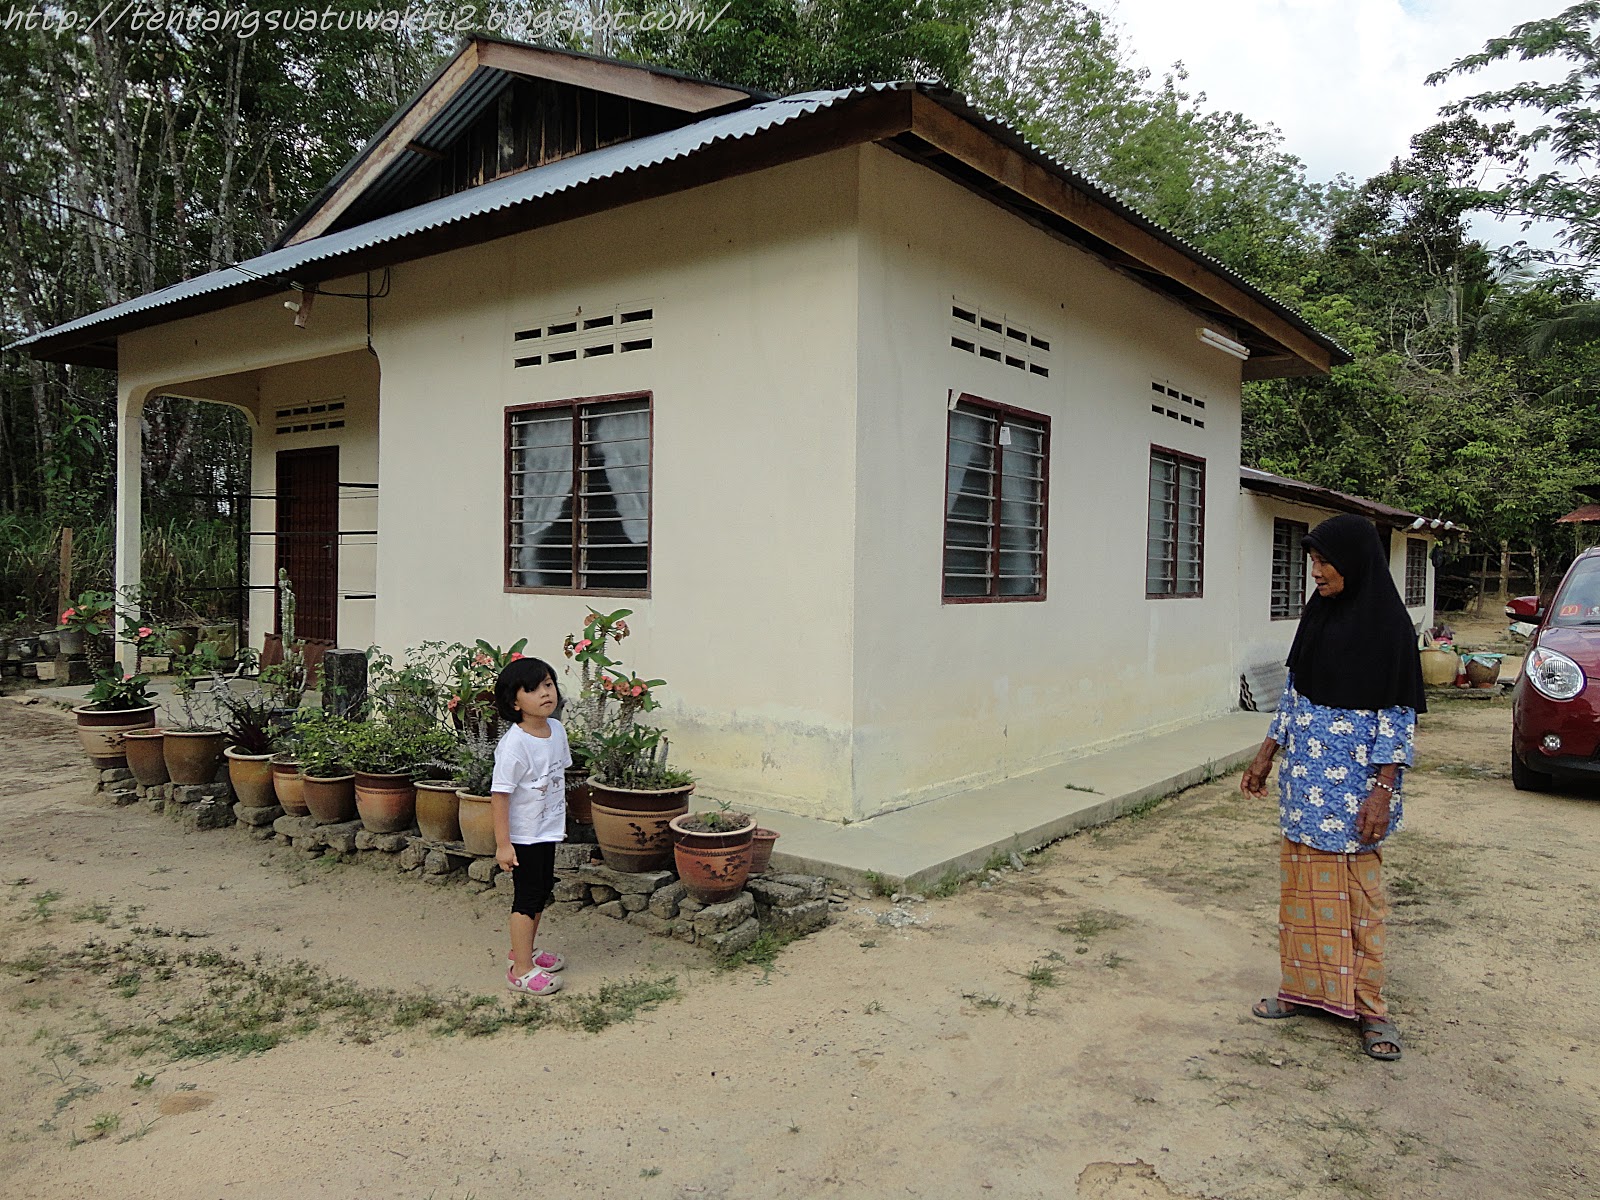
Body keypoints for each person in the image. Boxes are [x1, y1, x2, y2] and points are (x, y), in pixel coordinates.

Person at [1240, 513, 1425, 1061]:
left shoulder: (1390, 629)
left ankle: (1370, 1009)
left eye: (1324, 561)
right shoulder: (1317, 615)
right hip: (1304, 785)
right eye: (1312, 561)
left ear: (1354, 562)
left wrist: (1384, 788)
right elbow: (1295, 694)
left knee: (1359, 899)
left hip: (1355, 790)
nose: (1315, 572)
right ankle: (1302, 990)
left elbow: (1398, 714)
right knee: (1301, 891)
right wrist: (1266, 752)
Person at [492, 655, 572, 996]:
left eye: (549, 684)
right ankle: (520, 970)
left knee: (540, 893)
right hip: (523, 835)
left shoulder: (556, 730)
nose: (545, 693)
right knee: (526, 898)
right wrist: (503, 844)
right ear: (514, 701)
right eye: (533, 688)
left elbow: (559, 774)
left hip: (547, 831)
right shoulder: (514, 746)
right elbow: (500, 796)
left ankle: (524, 952)